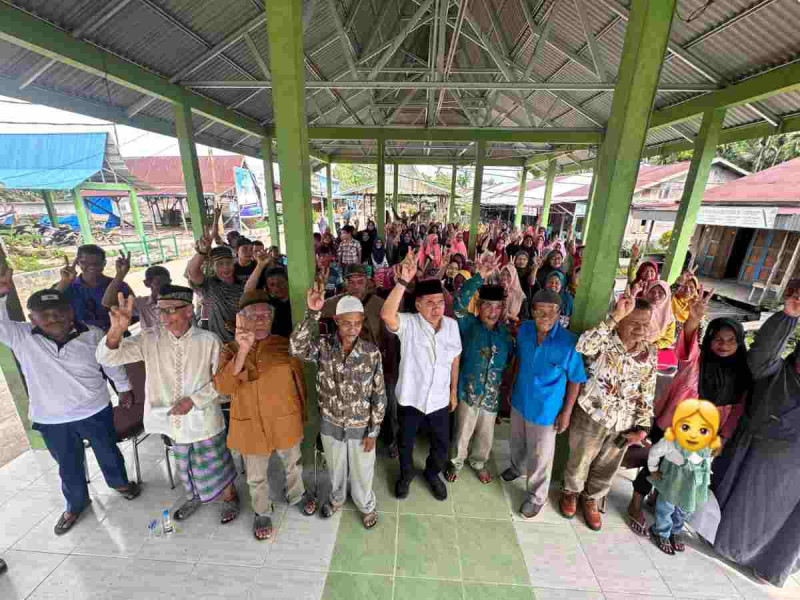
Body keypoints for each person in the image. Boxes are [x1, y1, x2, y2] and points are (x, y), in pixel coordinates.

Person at [0, 277, 139, 535]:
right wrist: (2, 294)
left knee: (108, 450)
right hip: (52, 419)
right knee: (68, 463)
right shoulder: (20, 336)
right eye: (44, 315)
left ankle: (119, 484)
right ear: (32, 318)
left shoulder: (93, 334)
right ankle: (76, 504)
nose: (53, 318)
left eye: (59, 312)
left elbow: (110, 363)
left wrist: (124, 389)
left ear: (70, 312)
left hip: (94, 409)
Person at [97, 285, 240, 524]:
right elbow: (107, 357)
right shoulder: (149, 338)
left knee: (215, 461)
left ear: (188, 311)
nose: (164, 317)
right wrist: (116, 330)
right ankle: (194, 497)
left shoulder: (208, 340)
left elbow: (222, 383)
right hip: (169, 419)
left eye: (171, 310)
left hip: (203, 419)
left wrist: (193, 401)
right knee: (184, 465)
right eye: (160, 311)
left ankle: (229, 497)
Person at [626, 284, 751, 537]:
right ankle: (636, 502)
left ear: (739, 343)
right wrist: (693, 319)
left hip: (701, 433)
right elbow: (686, 347)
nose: (723, 345)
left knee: (680, 469)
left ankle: (657, 501)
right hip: (673, 423)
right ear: (710, 340)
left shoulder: (741, 375)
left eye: (730, 340)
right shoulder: (698, 360)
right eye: (718, 339)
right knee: (657, 462)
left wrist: (723, 438)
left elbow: (736, 411)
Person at [712, 282, 800, 587]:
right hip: (755, 459)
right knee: (742, 509)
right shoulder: (777, 372)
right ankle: (722, 543)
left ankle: (770, 565)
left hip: (793, 477)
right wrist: (788, 316)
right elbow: (760, 356)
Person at [214, 291, 314, 540]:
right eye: (253, 314)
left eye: (266, 313)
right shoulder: (229, 348)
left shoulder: (284, 344)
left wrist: (302, 414)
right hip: (250, 424)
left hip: (285, 420)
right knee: (256, 476)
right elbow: (223, 388)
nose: (260, 318)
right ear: (241, 319)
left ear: (272, 317)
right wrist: (244, 350)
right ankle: (261, 511)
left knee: (293, 464)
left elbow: (300, 384)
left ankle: (297, 494)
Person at [560, 293, 657, 531]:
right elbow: (582, 346)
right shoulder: (604, 339)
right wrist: (614, 317)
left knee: (607, 466)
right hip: (591, 413)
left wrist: (642, 428)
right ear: (622, 319)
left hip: (624, 423)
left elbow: (647, 391)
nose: (641, 329)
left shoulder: (649, 353)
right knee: (580, 459)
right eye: (634, 322)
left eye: (645, 324)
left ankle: (591, 499)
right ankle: (571, 492)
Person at [290, 287, 386, 528]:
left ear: (362, 322)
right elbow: (296, 348)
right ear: (336, 321)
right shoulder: (323, 348)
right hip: (331, 424)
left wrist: (373, 432)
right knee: (335, 468)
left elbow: (379, 394)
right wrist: (312, 313)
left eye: (357, 323)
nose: (352, 328)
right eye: (346, 323)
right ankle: (336, 498)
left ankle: (366, 504)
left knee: (363, 470)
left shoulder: (371, 353)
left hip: (360, 426)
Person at [381, 248, 461, 501]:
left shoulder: (452, 326)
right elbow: (386, 315)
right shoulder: (409, 324)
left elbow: (455, 358)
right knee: (405, 443)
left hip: (439, 400)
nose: (436, 308)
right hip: (410, 397)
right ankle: (405, 475)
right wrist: (404, 281)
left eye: (440, 302)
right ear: (418, 305)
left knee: (440, 445)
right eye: (429, 303)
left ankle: (431, 474)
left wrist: (453, 391)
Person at [503, 289, 586, 520]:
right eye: (540, 311)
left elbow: (576, 380)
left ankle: (537, 497)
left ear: (559, 313)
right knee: (517, 440)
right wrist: (511, 384)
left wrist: (567, 412)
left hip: (546, 410)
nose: (545, 317)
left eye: (551, 312)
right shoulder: (525, 330)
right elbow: (519, 358)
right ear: (533, 311)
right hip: (520, 398)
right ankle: (516, 468)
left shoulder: (569, 343)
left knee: (540, 456)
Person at [446, 254, 514, 484]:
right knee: (462, 431)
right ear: (479, 305)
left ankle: (478, 462)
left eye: (497, 307)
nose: (492, 312)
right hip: (468, 390)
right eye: (488, 306)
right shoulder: (468, 324)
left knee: (485, 435)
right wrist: (478, 278)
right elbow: (457, 304)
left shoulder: (505, 334)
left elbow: (508, 364)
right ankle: (456, 462)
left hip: (492, 395)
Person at [647, 399, 720, 555]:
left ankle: (675, 530)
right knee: (666, 507)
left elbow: (706, 461)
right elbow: (654, 452)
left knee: (684, 509)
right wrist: (653, 469)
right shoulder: (672, 441)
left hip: (692, 484)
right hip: (673, 481)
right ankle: (661, 531)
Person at [55, 245, 133, 330]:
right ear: (78, 262)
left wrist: (120, 275)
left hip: (116, 334)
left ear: (104, 263)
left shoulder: (120, 285)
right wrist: (64, 282)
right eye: (85, 263)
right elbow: (48, 305)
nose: (92, 266)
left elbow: (134, 315)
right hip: (80, 338)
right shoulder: (66, 285)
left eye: (97, 263)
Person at [186, 232, 244, 343]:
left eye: (228, 263)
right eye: (220, 264)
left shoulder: (243, 285)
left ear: (234, 262)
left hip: (239, 341)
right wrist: (202, 252)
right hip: (215, 341)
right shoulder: (209, 284)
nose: (226, 268)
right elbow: (192, 272)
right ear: (213, 266)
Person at [102, 256, 171, 331]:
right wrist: (120, 274)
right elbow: (108, 303)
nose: (164, 287)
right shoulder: (141, 303)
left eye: (167, 283)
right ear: (147, 283)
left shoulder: (178, 301)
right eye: (158, 283)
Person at [642, 280, 676, 349]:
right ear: (647, 292)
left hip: (648, 350)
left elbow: (668, 339)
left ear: (667, 296)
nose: (655, 295)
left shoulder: (669, 319)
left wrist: (655, 346)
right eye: (652, 292)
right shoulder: (637, 307)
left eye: (660, 292)